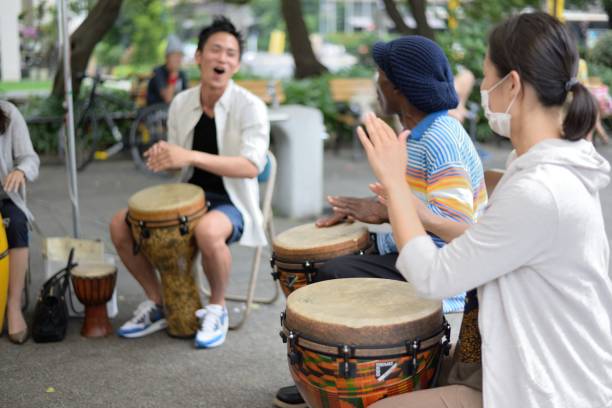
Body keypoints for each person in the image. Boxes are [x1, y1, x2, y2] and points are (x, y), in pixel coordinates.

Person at [359, 12, 612, 408]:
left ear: (512, 85)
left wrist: (394, 184)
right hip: (523, 365)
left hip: (548, 391)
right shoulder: (544, 165)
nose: (481, 92)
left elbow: (432, 277)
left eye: (485, 79)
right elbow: (487, 241)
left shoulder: (540, 189)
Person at [274, 36, 487, 408]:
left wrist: (387, 211)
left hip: (438, 269)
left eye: (381, 75)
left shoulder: (441, 139)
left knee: (331, 274)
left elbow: (453, 224)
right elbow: (417, 202)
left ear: (400, 88)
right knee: (327, 261)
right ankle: (319, 376)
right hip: (407, 251)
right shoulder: (417, 135)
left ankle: (343, 383)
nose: (376, 83)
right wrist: (370, 208)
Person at [110, 16, 269, 349]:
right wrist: (164, 157)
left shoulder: (250, 106)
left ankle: (217, 307)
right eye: (215, 50)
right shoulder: (181, 103)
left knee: (209, 231)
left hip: (231, 201)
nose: (222, 59)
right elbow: (175, 166)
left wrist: (189, 156)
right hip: (186, 197)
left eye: (230, 53)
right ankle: (158, 303)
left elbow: (252, 166)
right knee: (119, 225)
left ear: (236, 64)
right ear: (198, 57)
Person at [0, 101, 40, 344]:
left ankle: (13, 305)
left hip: (5, 196)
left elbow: (29, 158)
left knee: (16, 223)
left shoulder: (9, 113)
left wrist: (21, 171)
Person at [146, 34, 189, 106]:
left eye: (180, 55)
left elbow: (187, 98)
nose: (178, 59)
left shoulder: (181, 74)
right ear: (167, 57)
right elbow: (168, 99)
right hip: (156, 113)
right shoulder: (158, 72)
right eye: (175, 55)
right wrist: (173, 74)